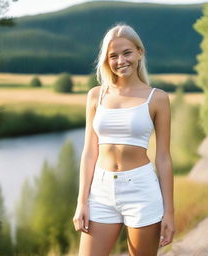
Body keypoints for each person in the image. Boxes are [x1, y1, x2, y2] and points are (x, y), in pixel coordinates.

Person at [73, 23, 175, 256]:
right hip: (100, 191)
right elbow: (89, 152)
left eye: (127, 52)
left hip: (141, 190)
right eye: (113, 56)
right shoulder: (95, 95)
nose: (121, 60)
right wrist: (82, 202)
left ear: (140, 52)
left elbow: (163, 158)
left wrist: (169, 212)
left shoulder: (157, 98)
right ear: (106, 61)